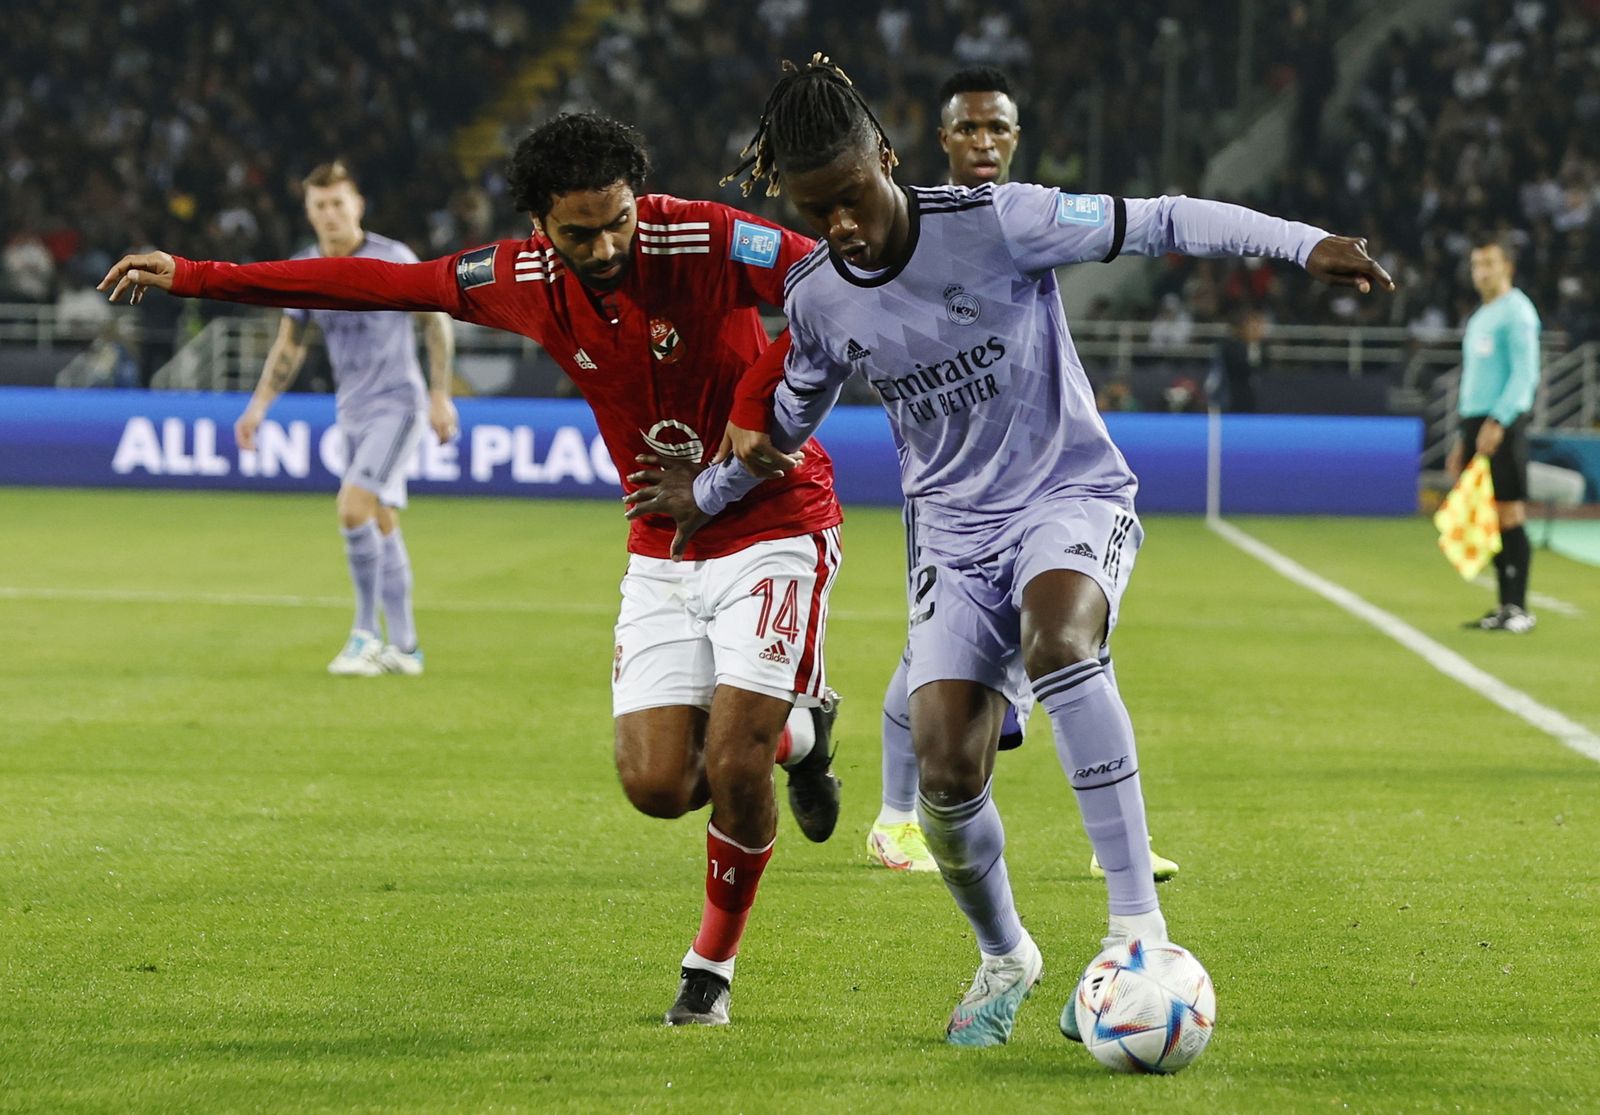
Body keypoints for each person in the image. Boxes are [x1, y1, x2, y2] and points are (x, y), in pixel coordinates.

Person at [633, 55, 1393, 1047]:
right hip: (951, 537)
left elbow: (1162, 218)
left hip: (1065, 492)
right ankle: (1006, 954)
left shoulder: (999, 220)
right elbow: (782, 422)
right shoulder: (820, 297)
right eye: (818, 211)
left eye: (853, 197)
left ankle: (1137, 932)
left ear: (887, 157)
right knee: (947, 773)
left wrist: (1303, 244)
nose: (842, 225)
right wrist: (705, 494)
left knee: (1061, 641)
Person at [99, 112, 845, 1028]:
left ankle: (708, 970)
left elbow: (831, 282)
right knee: (660, 786)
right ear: (539, 224)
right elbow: (374, 283)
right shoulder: (519, 278)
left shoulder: (704, 234)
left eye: (618, 220)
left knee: (732, 762)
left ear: (637, 200)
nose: (606, 246)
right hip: (663, 542)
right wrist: (198, 275)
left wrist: (756, 401)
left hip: (774, 518)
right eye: (579, 232)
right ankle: (802, 734)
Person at [867, 67, 1179, 885]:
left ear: (1016, 138)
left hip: (1042, 486)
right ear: (941, 138)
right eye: (968, 128)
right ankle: (895, 817)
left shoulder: (1019, 217)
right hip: (954, 494)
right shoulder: (910, 228)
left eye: (998, 128)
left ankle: (1117, 836)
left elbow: (1141, 225)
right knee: (928, 656)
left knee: (1078, 639)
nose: (984, 142)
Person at [232, 161, 459, 677]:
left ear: (358, 205)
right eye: (320, 205)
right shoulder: (304, 267)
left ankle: (364, 635)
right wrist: (258, 407)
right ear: (309, 212)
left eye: (338, 203)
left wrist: (440, 395)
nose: (330, 213)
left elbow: (435, 322)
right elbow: (290, 344)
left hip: (398, 405)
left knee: (353, 508)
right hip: (351, 410)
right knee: (380, 517)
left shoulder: (392, 258)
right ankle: (406, 648)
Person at [1448, 237, 1542, 633]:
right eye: (1476, 265)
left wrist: (1498, 422)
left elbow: (1525, 375)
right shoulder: (1480, 317)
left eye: (1489, 264)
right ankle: (1505, 605)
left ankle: (1519, 607)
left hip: (1502, 421)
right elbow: (1473, 381)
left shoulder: (1517, 312)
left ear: (1508, 268)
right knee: (1487, 514)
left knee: (1509, 511)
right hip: (1475, 421)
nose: (1481, 272)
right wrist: (1462, 437)